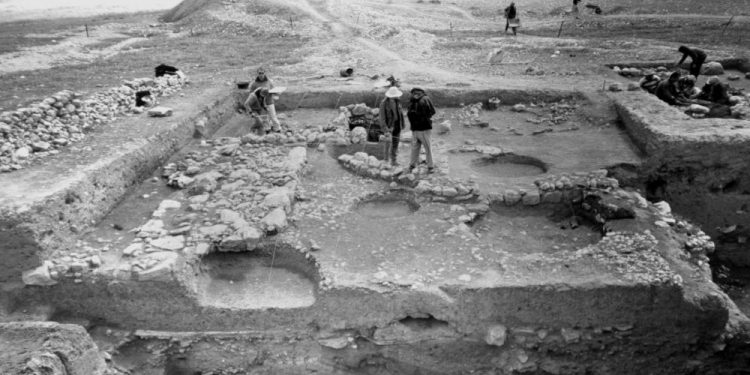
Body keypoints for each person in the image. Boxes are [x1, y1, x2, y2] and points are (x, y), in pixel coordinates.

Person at [407, 88, 436, 174]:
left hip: (415, 129)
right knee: (428, 148)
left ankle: (412, 165)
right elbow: (432, 111)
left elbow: (410, 114)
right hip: (423, 128)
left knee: (415, 148)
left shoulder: (412, 101)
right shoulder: (425, 99)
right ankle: (430, 167)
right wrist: (426, 119)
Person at [378, 86, 405, 166]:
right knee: (388, 143)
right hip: (389, 127)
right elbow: (382, 117)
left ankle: (394, 160)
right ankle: (386, 160)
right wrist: (385, 130)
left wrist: (402, 124)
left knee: (395, 143)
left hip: (397, 125)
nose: (396, 96)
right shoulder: (384, 103)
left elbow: (401, 114)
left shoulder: (398, 101)